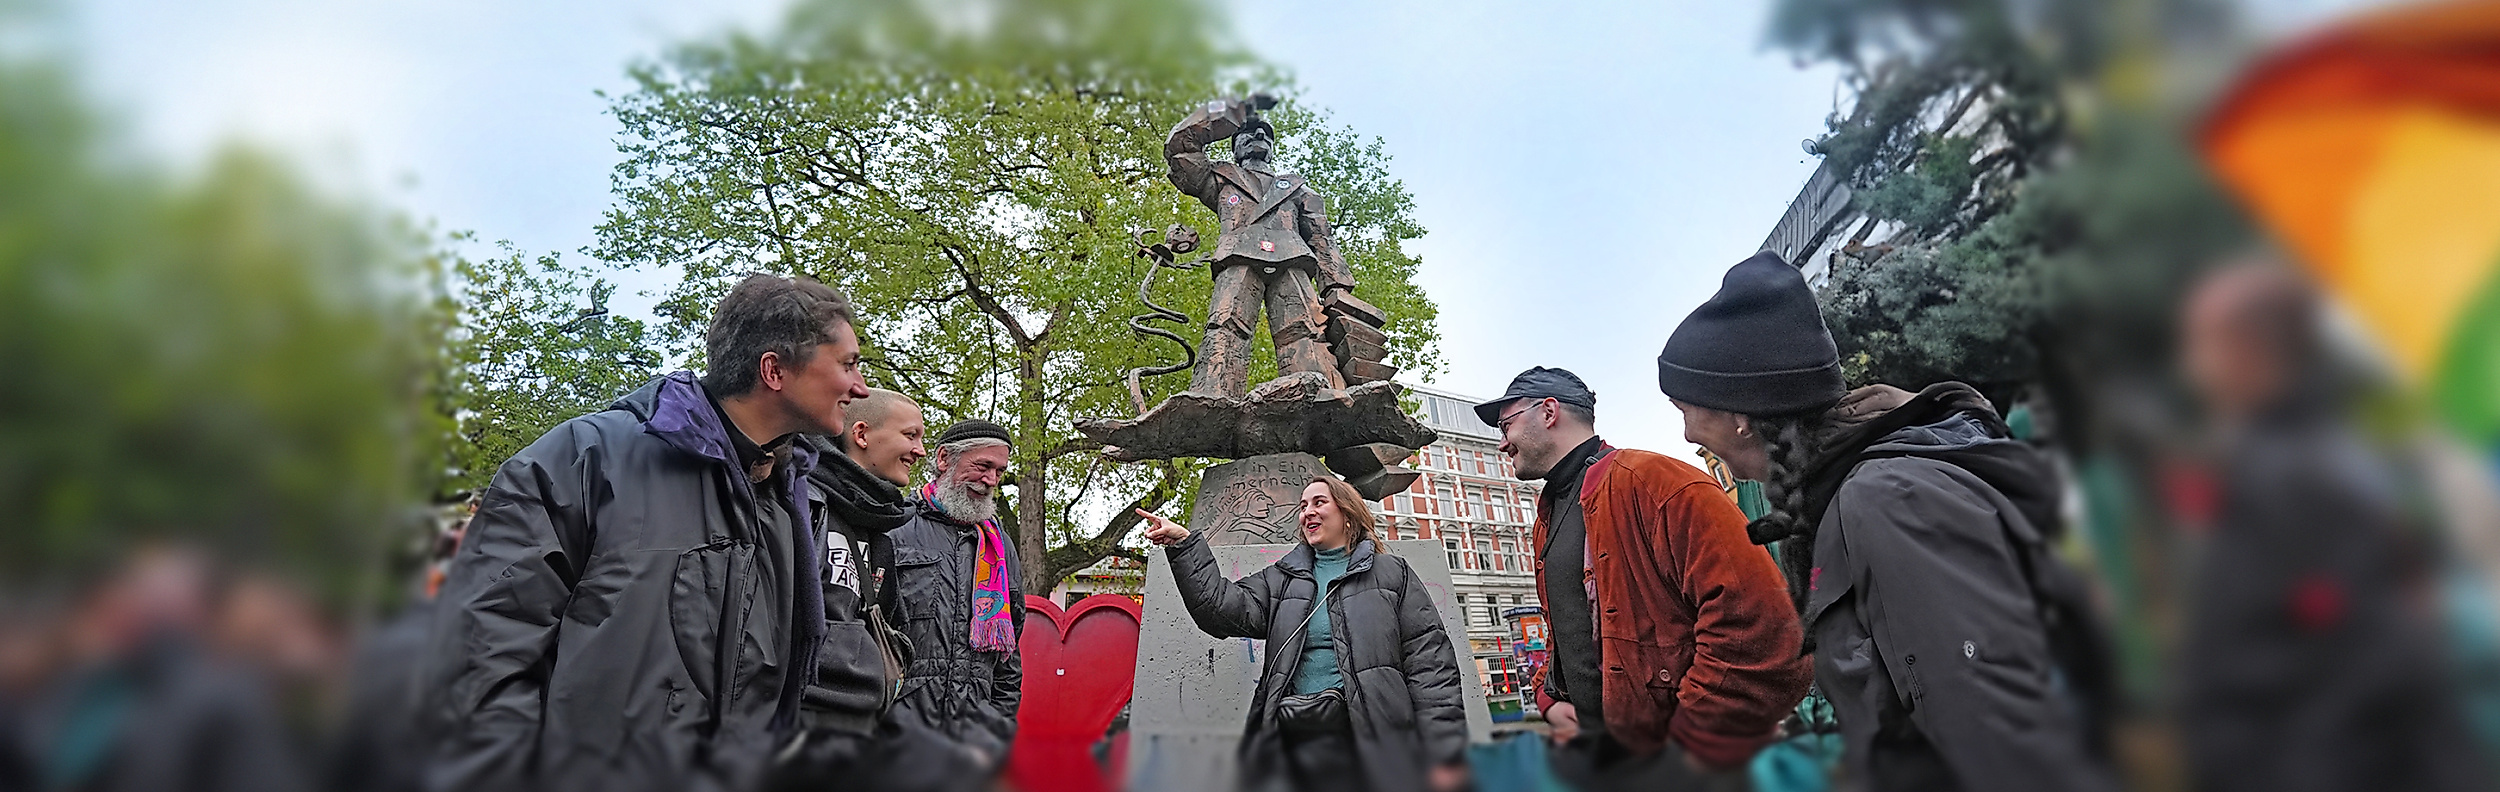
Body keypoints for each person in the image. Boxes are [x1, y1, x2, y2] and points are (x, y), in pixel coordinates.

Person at [1656, 251, 2115, 792]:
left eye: (1686, 408)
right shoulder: (1854, 492)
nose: (1686, 434)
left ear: (1738, 415)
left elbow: (1999, 735)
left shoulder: (1885, 500)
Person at [424, 274, 872, 792]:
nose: (859, 387)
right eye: (848, 364)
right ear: (774, 370)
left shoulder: (792, 494)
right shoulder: (584, 459)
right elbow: (480, 649)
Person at [2174, 262, 2485, 792]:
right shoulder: (2269, 465)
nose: (2190, 366)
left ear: (2247, 349)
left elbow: (2373, 661)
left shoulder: (2304, 478)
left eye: (2201, 343)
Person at [1475, 366, 1811, 791]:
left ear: (1548, 411)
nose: (1502, 442)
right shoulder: (1547, 516)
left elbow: (1767, 631)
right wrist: (1548, 696)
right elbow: (1567, 629)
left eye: (1506, 425)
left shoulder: (1657, 482)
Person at [1138, 476, 1470, 792]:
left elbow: (1432, 670)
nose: (1307, 511)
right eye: (1302, 506)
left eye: (1319, 502)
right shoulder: (1282, 579)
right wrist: (1184, 546)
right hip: (1296, 751)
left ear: (1347, 512)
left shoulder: (1391, 573)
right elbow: (1220, 609)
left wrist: (1444, 755)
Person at [1164, 95, 1358, 396]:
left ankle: (1321, 398)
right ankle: (1212, 396)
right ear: (1234, 142)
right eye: (1249, 131)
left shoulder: (1298, 188)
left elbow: (1322, 238)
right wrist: (1232, 110)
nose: (1259, 135)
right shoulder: (1219, 178)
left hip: (1292, 260)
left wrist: (1336, 288)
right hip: (1238, 256)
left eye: (1266, 134)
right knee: (1225, 327)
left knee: (1306, 333)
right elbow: (1179, 146)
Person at [884, 419, 1026, 777]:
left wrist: (999, 728)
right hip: (894, 743)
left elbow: (1008, 658)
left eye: (999, 471)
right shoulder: (894, 527)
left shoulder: (1000, 547)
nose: (992, 480)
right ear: (944, 459)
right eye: (983, 466)